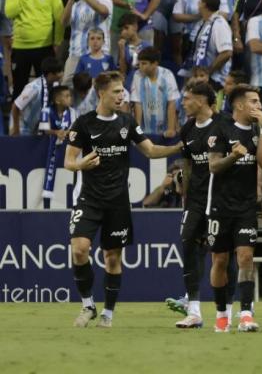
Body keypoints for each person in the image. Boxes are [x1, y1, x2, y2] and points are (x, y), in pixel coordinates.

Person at [65, 71, 183, 328]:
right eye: (116, 92)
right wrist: (82, 164)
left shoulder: (127, 122)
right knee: (79, 249)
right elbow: (68, 162)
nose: (121, 96)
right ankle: (87, 306)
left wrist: (178, 147)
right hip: (88, 198)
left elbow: (151, 150)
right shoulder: (83, 124)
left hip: (117, 201)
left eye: (122, 91)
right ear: (101, 93)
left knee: (113, 258)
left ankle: (107, 313)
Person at [207, 85, 262, 332]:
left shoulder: (258, 131)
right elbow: (213, 166)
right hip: (220, 206)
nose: (259, 106)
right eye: (254, 101)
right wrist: (233, 156)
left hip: (245, 206)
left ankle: (246, 314)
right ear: (240, 105)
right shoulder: (221, 127)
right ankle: (222, 314)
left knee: (245, 257)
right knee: (220, 260)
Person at [170, 81, 225, 328]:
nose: (183, 102)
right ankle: (194, 311)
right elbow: (188, 165)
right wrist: (182, 187)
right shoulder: (188, 129)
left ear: (202, 100)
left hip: (222, 200)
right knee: (188, 243)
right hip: (195, 200)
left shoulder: (223, 125)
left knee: (222, 253)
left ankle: (234, 310)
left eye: (188, 98)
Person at [5, 0, 64, 101]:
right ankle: (16, 123)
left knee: (46, 89)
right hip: (20, 48)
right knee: (19, 88)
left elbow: (59, 19)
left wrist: (57, 41)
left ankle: (45, 122)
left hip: (44, 47)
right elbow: (9, 13)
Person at [62, 0, 114, 85]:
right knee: (68, 88)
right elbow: (64, 22)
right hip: (76, 55)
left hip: (99, 56)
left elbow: (103, 12)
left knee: (98, 90)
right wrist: (70, 0)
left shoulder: (105, 1)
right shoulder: (75, 6)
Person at [180, 0, 233, 87]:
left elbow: (226, 53)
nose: (198, 3)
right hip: (202, 79)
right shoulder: (204, 23)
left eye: (199, 1)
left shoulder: (219, 24)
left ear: (204, 4)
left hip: (214, 81)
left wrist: (208, 71)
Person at [130, 47, 180, 136]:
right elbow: (138, 103)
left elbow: (172, 103)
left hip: (164, 128)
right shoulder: (137, 75)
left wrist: (171, 129)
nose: (140, 66)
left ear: (155, 64)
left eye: (144, 63)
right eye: (139, 63)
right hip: (145, 129)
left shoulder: (167, 74)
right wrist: (137, 131)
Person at [10, 58, 64, 136]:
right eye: (59, 72)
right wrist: (16, 129)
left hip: (35, 126)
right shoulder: (34, 88)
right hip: (21, 126)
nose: (62, 74)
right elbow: (15, 106)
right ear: (50, 74)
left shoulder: (55, 86)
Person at [41, 85, 77, 200]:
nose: (70, 98)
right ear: (57, 100)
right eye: (66, 96)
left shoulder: (72, 112)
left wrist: (65, 133)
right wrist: (56, 132)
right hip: (49, 146)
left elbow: (74, 129)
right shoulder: (46, 111)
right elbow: (45, 130)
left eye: (70, 95)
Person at [117, 13, 151, 90]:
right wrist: (121, 51)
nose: (123, 32)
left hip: (144, 85)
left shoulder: (147, 46)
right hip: (129, 85)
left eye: (126, 28)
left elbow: (153, 68)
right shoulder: (123, 47)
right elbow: (123, 72)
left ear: (135, 27)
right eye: (121, 30)